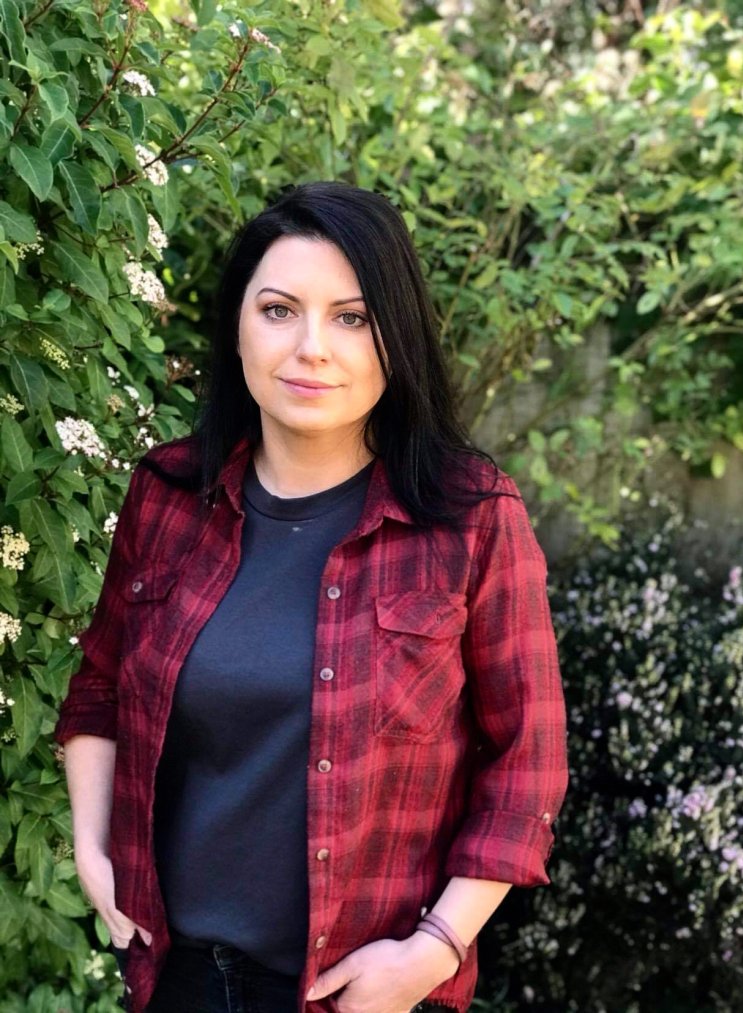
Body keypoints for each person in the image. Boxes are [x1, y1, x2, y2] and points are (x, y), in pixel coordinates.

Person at [54, 180, 569, 1013]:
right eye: (279, 310)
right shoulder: (169, 494)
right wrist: (91, 846)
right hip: (177, 976)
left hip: (360, 990)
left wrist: (434, 950)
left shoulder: (471, 519)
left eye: (352, 317)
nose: (311, 348)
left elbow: (528, 762)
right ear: (237, 326)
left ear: (395, 334)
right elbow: (101, 687)